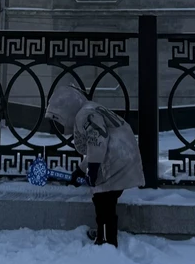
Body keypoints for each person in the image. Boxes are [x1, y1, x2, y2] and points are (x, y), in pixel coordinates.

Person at [44, 82, 145, 245]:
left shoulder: (84, 115)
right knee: (107, 201)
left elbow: (97, 142)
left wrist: (92, 169)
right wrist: (81, 169)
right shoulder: (92, 108)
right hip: (123, 158)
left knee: (103, 201)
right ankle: (104, 235)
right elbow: (97, 145)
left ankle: (106, 240)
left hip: (114, 162)